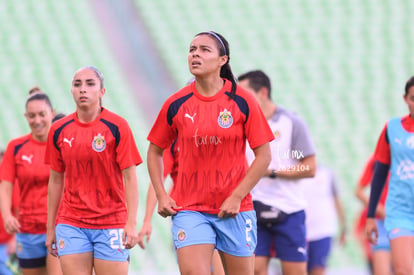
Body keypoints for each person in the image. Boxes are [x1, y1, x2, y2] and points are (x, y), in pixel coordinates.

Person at [147, 31, 273, 275]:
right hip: (189, 209)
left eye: (204, 50)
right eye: (192, 49)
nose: (195, 54)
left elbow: (264, 156)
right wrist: (162, 195)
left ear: (222, 60)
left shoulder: (242, 100)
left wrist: (237, 196)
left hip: (235, 209)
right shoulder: (176, 103)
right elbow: (154, 152)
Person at [44, 66, 142, 275]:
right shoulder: (58, 130)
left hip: (111, 223)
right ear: (71, 90)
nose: (82, 89)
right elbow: (55, 181)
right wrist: (51, 227)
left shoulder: (118, 126)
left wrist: (131, 223)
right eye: (77, 84)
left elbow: (130, 178)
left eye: (90, 84)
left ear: (102, 92)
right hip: (71, 223)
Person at [238, 70, 317, 275]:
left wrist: (272, 172)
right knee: (254, 269)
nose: (240, 98)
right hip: (251, 208)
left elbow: (309, 167)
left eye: (245, 93)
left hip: (289, 209)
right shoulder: (241, 124)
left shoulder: (291, 123)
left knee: (295, 271)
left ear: (262, 93)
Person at [138, 140, 225, 275]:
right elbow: (157, 181)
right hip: (187, 216)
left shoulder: (216, 137)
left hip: (216, 214)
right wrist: (147, 220)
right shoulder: (174, 143)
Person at [0, 92, 62, 275]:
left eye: (42, 114)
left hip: (58, 229)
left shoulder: (63, 145)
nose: (37, 120)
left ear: (52, 113)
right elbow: (5, 184)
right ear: (26, 117)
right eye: (32, 115)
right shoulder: (16, 147)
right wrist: (7, 216)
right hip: (27, 232)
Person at [366, 75, 414, 275]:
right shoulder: (392, 128)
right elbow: (379, 173)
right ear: (405, 99)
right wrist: (370, 216)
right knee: (403, 270)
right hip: (400, 211)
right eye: (413, 98)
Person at [302, 164, 346, 275]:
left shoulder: (327, 173)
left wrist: (344, 228)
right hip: (300, 231)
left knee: (318, 269)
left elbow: (337, 201)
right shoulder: (294, 173)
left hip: (323, 231)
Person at [355, 154, 391, 275]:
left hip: (405, 221)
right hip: (381, 223)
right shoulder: (377, 160)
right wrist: (379, 209)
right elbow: (358, 191)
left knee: (404, 269)